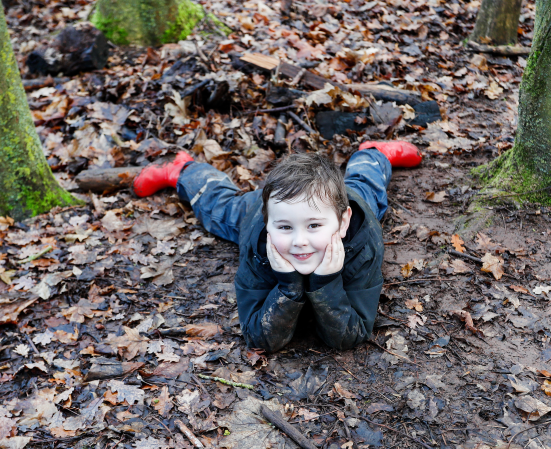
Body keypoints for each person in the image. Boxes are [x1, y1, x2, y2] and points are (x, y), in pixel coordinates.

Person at [133, 140, 422, 352]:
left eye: (313, 226)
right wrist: (288, 285)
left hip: (343, 201)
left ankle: (374, 153)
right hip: (269, 207)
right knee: (219, 206)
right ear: (268, 222)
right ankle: (182, 168)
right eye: (284, 228)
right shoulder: (259, 241)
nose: (299, 241)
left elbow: (349, 336)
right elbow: (259, 337)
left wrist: (327, 280)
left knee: (365, 185)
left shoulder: (361, 241)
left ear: (342, 223)